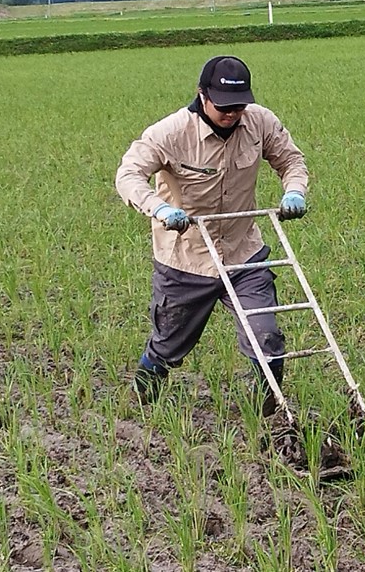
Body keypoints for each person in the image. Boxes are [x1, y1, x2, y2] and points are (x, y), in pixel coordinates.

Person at [115, 55, 309, 416]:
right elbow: (128, 175)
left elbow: (290, 160)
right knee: (169, 345)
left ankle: (269, 414)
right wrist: (159, 209)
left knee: (266, 336)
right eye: (224, 106)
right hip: (187, 258)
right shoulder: (170, 133)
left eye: (239, 106)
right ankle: (140, 407)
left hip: (243, 252)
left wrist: (294, 190)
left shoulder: (260, 122)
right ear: (202, 95)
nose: (232, 114)